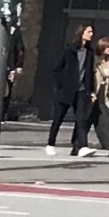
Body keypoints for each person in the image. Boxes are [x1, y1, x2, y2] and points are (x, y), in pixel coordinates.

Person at [44, 22, 96, 154]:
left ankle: (82, 146)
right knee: (58, 117)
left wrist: (91, 90)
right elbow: (56, 69)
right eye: (89, 32)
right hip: (67, 90)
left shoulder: (90, 52)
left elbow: (89, 72)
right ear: (82, 33)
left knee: (81, 119)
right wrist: (61, 84)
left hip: (82, 90)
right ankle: (50, 143)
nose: (92, 34)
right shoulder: (70, 50)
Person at [74, 37, 109, 156]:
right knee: (86, 121)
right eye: (108, 47)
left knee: (105, 121)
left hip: (103, 95)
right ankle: (77, 145)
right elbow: (88, 77)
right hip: (92, 94)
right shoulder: (93, 60)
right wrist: (90, 92)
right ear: (102, 47)